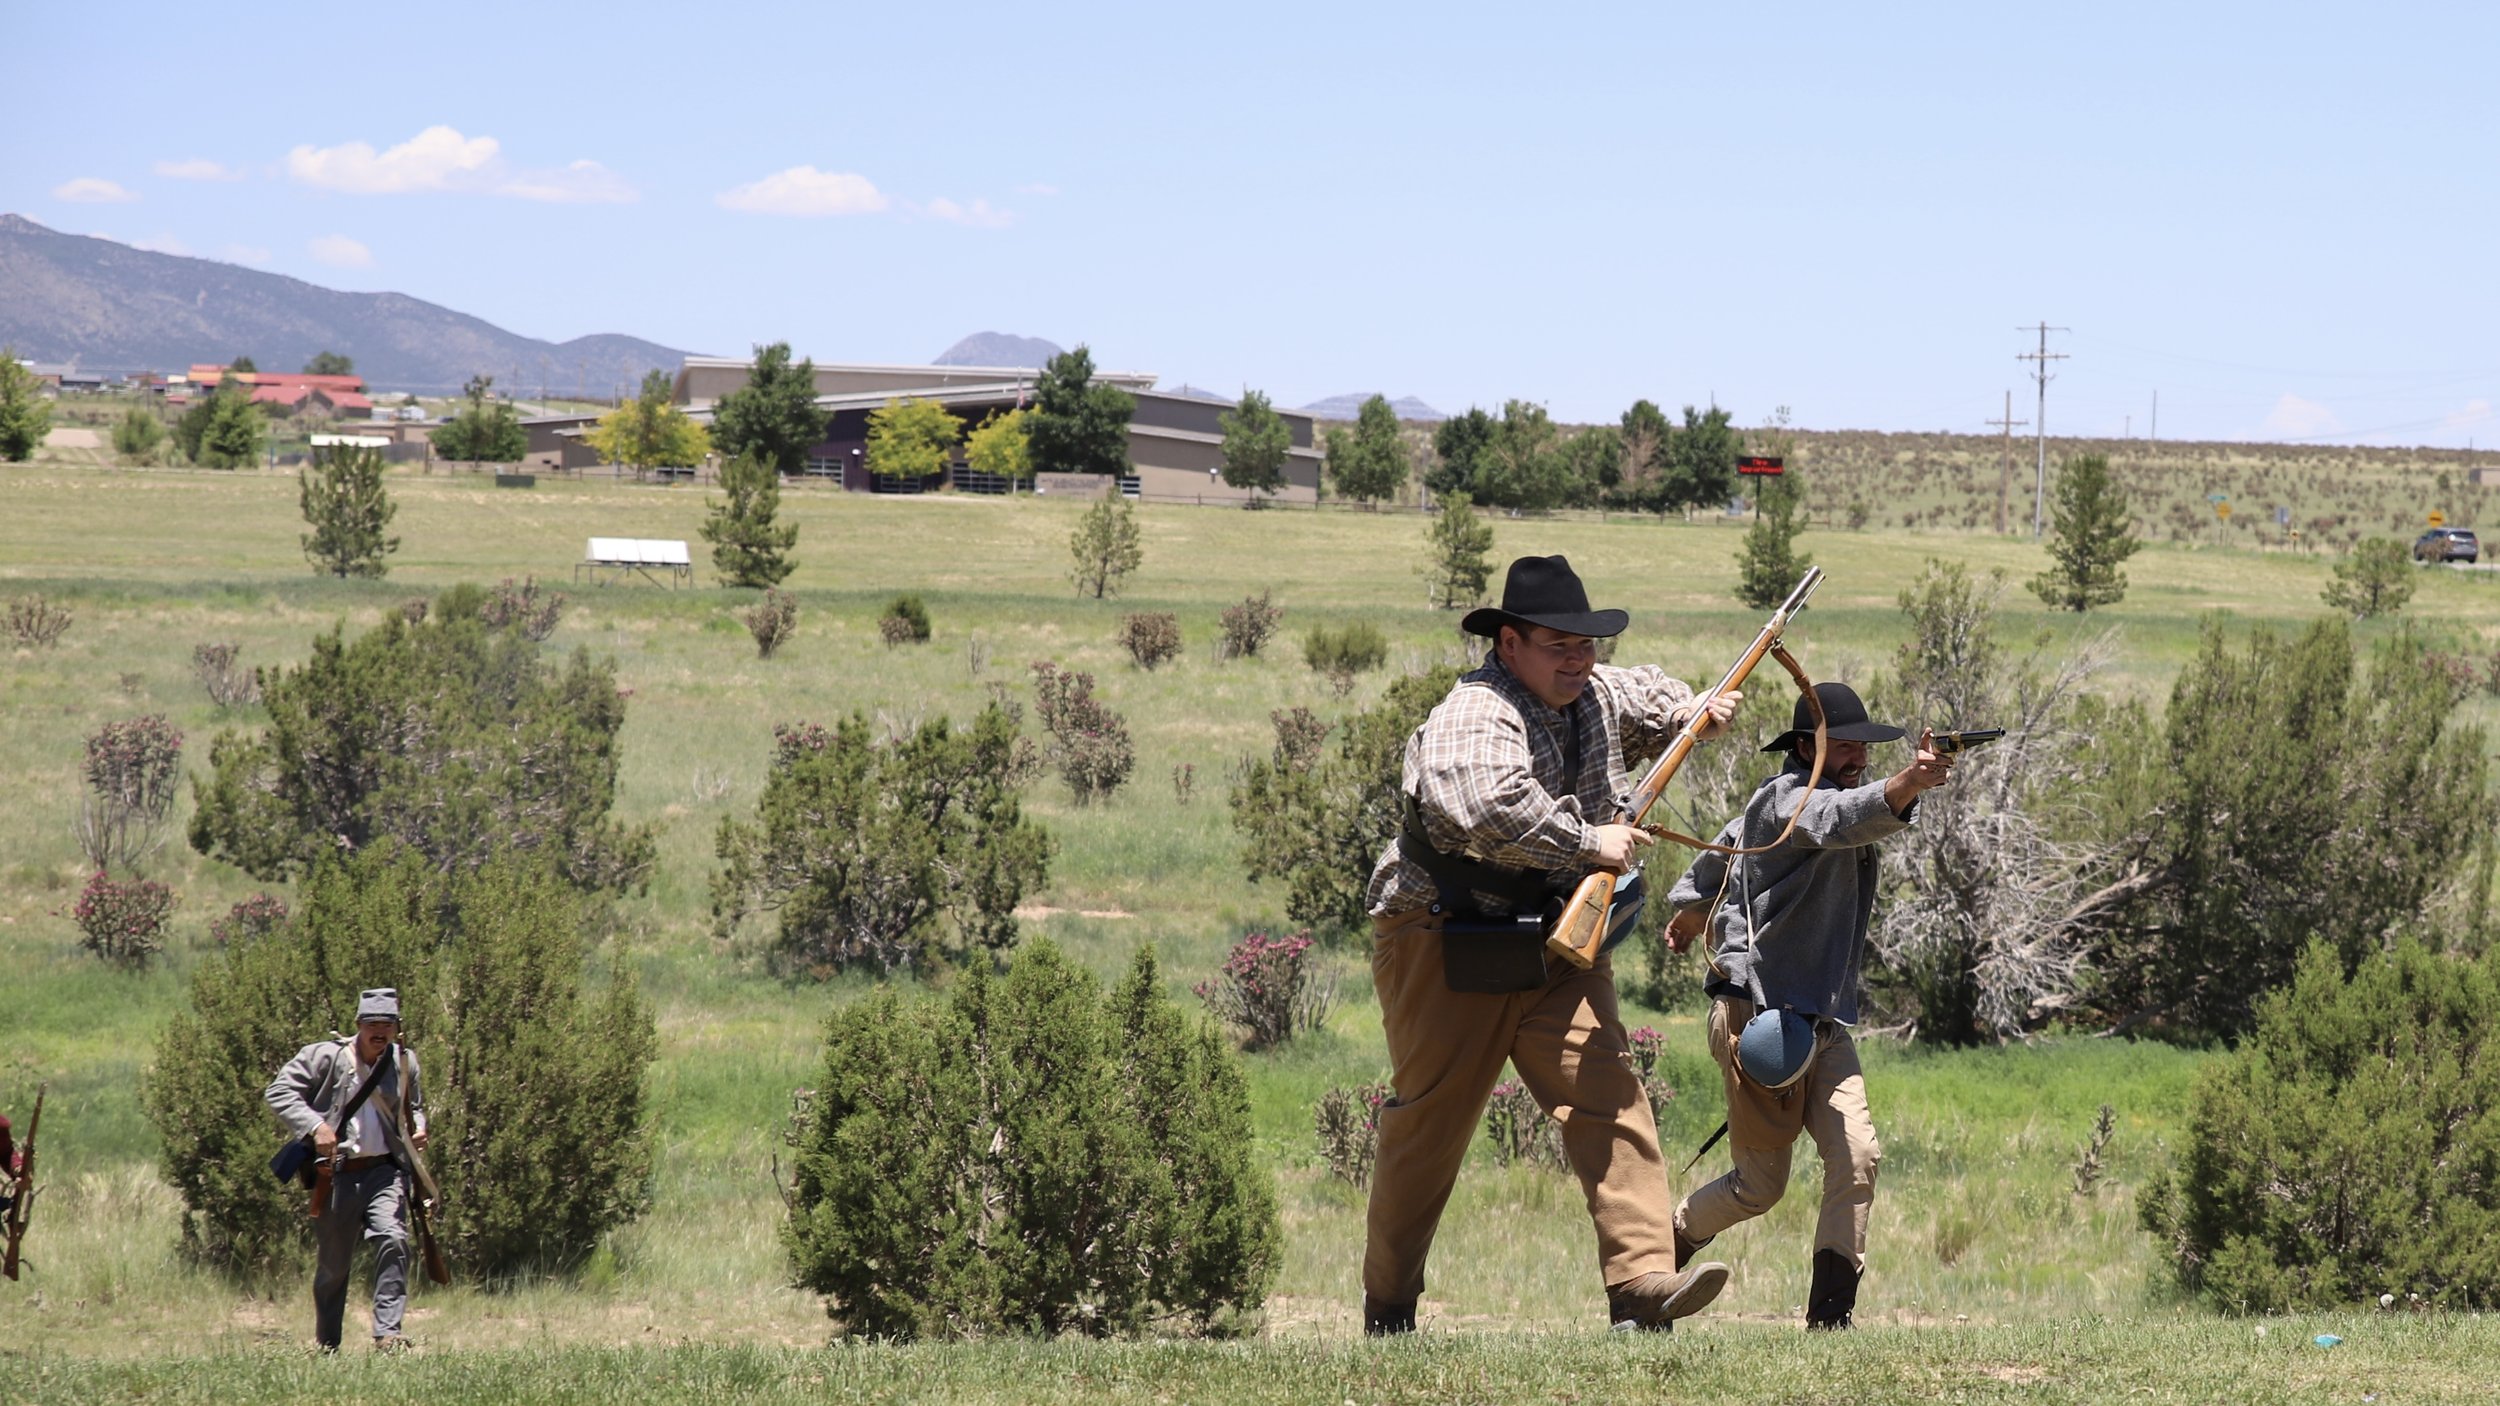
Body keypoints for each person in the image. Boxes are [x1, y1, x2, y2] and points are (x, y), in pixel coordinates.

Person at [1361, 554, 1743, 1335]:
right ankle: (1389, 1307)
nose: (1578, 659)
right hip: (1443, 937)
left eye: (1586, 645)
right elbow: (1483, 805)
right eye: (1557, 644)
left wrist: (1697, 709)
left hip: (1556, 942)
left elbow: (1652, 696)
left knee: (1611, 1097)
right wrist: (1587, 841)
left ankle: (1642, 1284)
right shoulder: (1475, 713)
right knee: (1428, 1129)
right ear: (1508, 646)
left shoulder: (1594, 692)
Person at [1661, 681, 1954, 1330]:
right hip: (1759, 1020)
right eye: (1844, 746)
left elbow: (1723, 856)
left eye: (1861, 748)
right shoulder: (1786, 799)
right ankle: (1655, 1254)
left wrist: (1690, 909)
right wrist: (1906, 783)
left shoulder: (1788, 803)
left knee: (1857, 1156)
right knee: (1759, 1188)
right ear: (1804, 747)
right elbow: (1835, 821)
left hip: (1820, 1019)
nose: (1857, 757)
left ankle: (1830, 1323)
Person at [266, 988, 429, 1353]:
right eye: (373, 1023)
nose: (380, 1032)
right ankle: (328, 1344)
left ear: (396, 1029)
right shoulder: (325, 1057)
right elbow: (278, 1091)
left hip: (385, 1172)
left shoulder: (405, 1063)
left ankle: (387, 1334)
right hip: (335, 1176)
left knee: (393, 1239)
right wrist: (315, 1126)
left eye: (387, 1024)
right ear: (358, 1024)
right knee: (334, 1269)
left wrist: (419, 1128)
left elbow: (415, 1107)